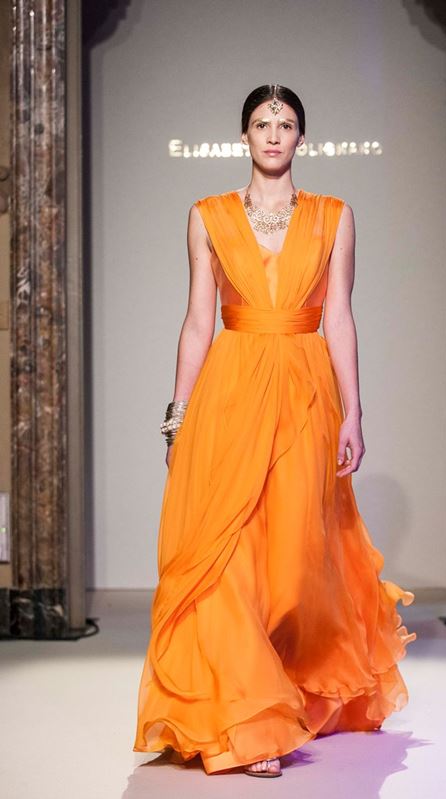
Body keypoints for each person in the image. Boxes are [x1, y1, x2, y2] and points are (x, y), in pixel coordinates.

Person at [133, 84, 417, 779]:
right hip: (228, 393)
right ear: (244, 135)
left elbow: (339, 317)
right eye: (262, 122)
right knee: (224, 557)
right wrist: (178, 414)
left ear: (300, 138)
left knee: (290, 565)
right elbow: (198, 320)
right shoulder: (207, 215)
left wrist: (354, 411)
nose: (272, 133)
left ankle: (285, 693)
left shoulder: (334, 216)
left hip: (303, 392)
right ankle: (249, 721)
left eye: (285, 123)